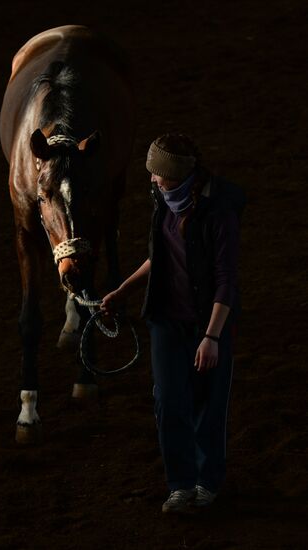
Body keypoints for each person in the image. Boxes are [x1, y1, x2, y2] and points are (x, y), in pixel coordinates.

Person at [101, 132, 245, 513]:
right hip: (166, 321)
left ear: (176, 176)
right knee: (169, 401)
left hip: (206, 325)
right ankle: (180, 485)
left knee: (208, 405)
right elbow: (160, 258)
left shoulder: (218, 214)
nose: (151, 180)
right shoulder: (165, 204)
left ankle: (207, 481)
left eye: (156, 174)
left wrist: (212, 336)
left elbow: (226, 281)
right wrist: (123, 291)